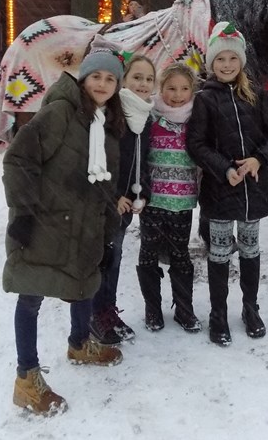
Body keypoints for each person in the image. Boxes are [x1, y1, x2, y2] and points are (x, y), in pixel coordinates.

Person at [2, 46, 127, 416]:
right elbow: (19, 159)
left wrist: (108, 221)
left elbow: (105, 180)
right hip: (44, 220)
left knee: (84, 280)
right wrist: (24, 212)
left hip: (84, 222)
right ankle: (26, 379)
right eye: (96, 76)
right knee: (31, 295)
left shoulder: (106, 122)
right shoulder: (60, 113)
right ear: (84, 78)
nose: (102, 84)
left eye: (110, 78)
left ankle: (79, 343)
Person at [186, 22, 268, 346]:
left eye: (232, 58)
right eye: (220, 59)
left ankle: (250, 307)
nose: (227, 65)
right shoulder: (205, 99)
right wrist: (224, 168)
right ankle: (218, 313)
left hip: (253, 190)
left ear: (241, 61)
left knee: (250, 251)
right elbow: (196, 144)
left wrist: (259, 159)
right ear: (211, 63)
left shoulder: (256, 95)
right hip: (220, 190)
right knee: (218, 254)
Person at [89, 54, 155, 345]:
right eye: (137, 77)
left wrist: (143, 193)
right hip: (105, 202)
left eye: (149, 79)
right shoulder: (111, 115)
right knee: (101, 260)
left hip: (127, 204)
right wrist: (113, 196)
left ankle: (108, 311)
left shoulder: (146, 117)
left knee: (114, 259)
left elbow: (144, 161)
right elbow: (98, 160)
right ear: (124, 80)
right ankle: (95, 315)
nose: (143, 84)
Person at [137, 62, 203, 333]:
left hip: (182, 202)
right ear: (160, 88)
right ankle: (152, 308)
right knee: (148, 254)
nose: (177, 95)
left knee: (180, 255)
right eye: (171, 88)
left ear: (192, 90)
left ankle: (184, 309)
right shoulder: (148, 116)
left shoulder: (197, 119)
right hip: (152, 201)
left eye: (184, 88)